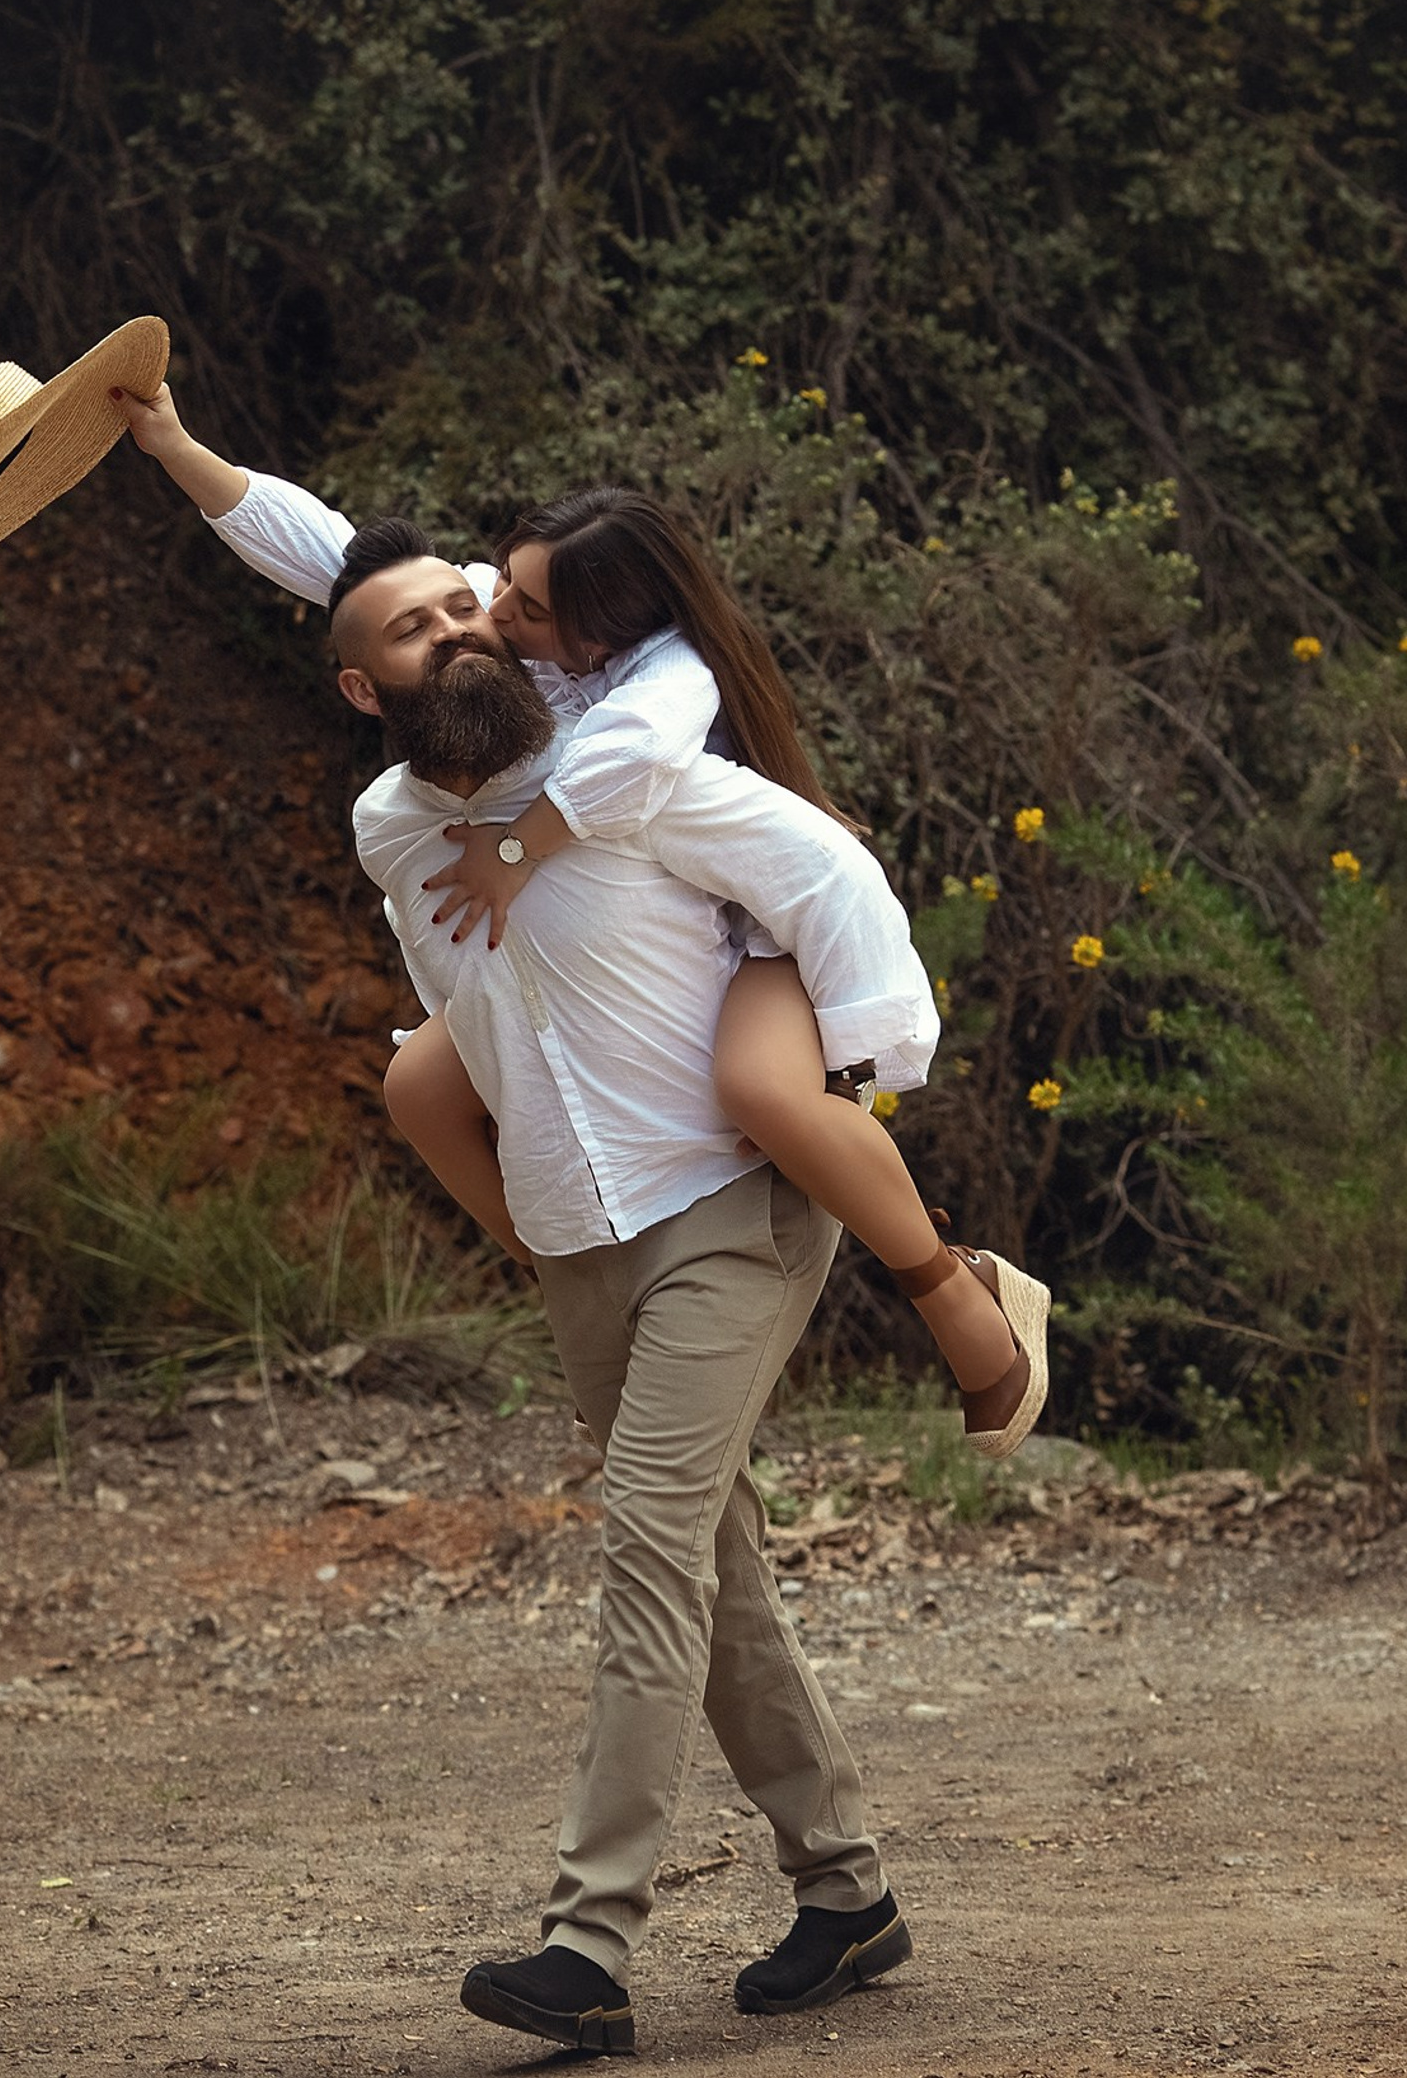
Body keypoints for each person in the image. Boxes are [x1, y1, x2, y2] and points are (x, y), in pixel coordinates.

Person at [264, 511, 921, 2049]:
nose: (458, 631)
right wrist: (166, 445)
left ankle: (587, 1942)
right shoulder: (388, 829)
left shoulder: (618, 756)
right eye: (414, 629)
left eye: (465, 606)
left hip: (731, 1203)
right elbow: (478, 1032)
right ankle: (847, 1895)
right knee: (715, 1566)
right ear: (364, 689)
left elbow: (728, 734)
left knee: (648, 1548)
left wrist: (838, 1055)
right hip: (578, 1237)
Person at [116, 381, 1048, 1459]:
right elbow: (328, 556)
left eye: (523, 608)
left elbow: (679, 790)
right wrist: (176, 447)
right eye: (497, 587)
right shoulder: (500, 619)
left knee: (763, 1092)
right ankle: (584, 1293)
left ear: (603, 636)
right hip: (637, 916)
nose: (493, 615)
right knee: (418, 1083)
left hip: (759, 922)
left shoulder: (657, 686)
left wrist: (856, 1049)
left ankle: (956, 1292)